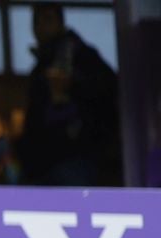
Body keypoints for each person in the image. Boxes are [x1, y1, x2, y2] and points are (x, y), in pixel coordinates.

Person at [19, 2, 121, 186]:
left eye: (48, 19)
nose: (41, 26)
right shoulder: (40, 69)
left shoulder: (81, 56)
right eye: (37, 21)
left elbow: (107, 89)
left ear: (60, 22)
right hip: (44, 165)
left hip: (74, 159)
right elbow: (34, 122)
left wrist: (73, 84)